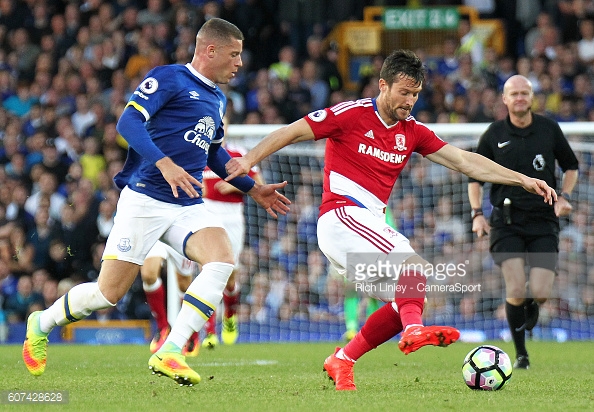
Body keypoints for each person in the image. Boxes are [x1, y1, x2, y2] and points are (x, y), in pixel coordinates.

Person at [225, 49, 557, 391]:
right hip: (341, 215)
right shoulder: (351, 114)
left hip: (360, 226)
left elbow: (463, 160)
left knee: (409, 298)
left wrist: (522, 179)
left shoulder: (412, 131)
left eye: (415, 94)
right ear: (383, 85)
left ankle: (344, 359)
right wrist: (248, 160)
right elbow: (292, 132)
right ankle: (414, 331)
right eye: (404, 92)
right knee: (414, 267)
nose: (410, 100)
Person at [22, 18, 290, 387]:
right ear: (209, 50)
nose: (239, 63)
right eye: (234, 54)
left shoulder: (217, 98)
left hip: (187, 203)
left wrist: (251, 188)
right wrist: (165, 164)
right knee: (107, 294)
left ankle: (171, 350)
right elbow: (127, 124)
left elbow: (214, 155)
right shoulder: (168, 79)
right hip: (145, 199)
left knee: (222, 259)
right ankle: (42, 321)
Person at [468, 74, 578, 370]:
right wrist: (477, 214)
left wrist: (565, 196)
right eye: (513, 93)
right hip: (506, 221)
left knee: (540, 293)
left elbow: (571, 166)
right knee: (516, 288)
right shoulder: (493, 134)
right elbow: (474, 176)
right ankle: (521, 355)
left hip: (544, 220)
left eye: (524, 93)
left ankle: (531, 307)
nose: (519, 98)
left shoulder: (549, 129)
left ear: (532, 98)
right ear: (504, 99)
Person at [200, 139, 262, 348]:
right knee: (208, 271)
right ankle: (209, 331)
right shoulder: (197, 151)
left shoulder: (238, 152)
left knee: (230, 274)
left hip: (233, 215)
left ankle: (229, 315)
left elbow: (259, 183)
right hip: (207, 211)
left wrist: (233, 185)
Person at [141, 241, 200, 357]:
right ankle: (163, 327)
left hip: (178, 229)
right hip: (155, 228)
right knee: (148, 275)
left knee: (184, 285)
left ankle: (192, 335)